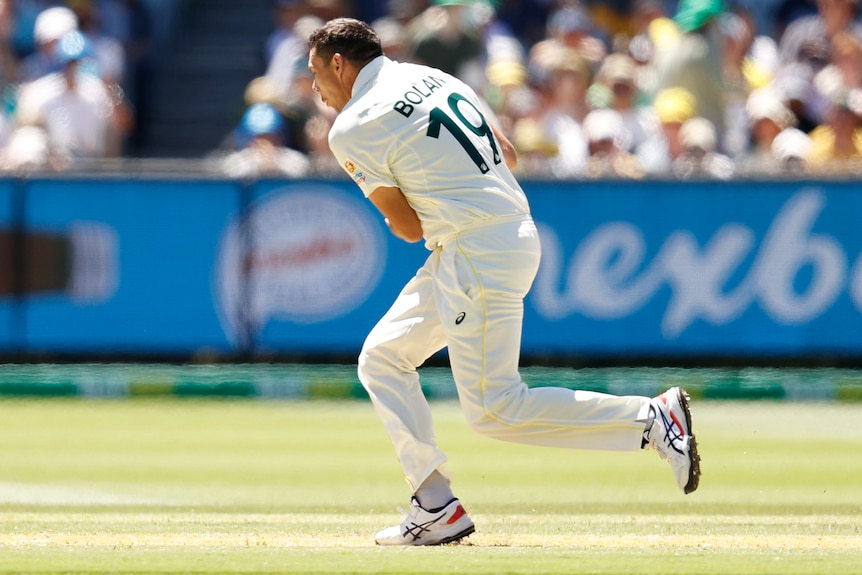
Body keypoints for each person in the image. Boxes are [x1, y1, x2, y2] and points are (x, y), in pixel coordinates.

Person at [305, 17, 701, 547]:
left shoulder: (353, 124)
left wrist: (407, 191)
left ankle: (651, 419)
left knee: (496, 409)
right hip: (496, 237)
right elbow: (507, 154)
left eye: (315, 73)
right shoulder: (435, 78)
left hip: (474, 250)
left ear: (338, 63)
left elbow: (407, 227)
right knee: (381, 357)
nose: (314, 88)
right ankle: (434, 502)